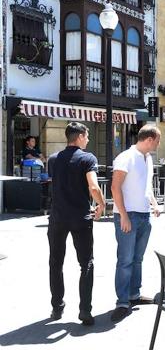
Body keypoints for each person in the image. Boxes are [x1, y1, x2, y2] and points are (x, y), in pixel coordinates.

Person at [47, 122, 105, 325]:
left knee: (56, 262)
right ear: (80, 136)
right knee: (86, 263)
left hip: (57, 217)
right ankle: (85, 310)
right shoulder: (88, 158)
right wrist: (101, 203)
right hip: (80, 217)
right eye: (87, 136)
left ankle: (57, 307)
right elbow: (93, 185)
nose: (88, 139)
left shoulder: (53, 159)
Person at [110, 125, 161, 322]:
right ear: (149, 139)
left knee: (137, 258)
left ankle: (133, 294)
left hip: (144, 214)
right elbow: (115, 187)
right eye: (157, 140)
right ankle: (122, 302)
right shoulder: (126, 157)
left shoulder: (147, 158)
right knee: (125, 260)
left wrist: (154, 204)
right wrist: (123, 215)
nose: (158, 144)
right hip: (128, 214)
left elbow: (146, 186)